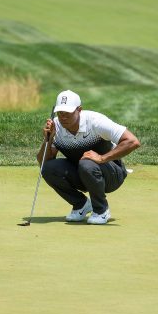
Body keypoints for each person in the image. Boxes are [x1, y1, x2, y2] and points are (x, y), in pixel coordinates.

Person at [37, 90, 141, 224]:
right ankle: (81, 205)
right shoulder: (55, 127)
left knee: (87, 163)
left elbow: (133, 141)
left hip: (112, 175)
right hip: (82, 174)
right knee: (48, 168)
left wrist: (102, 158)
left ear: (79, 110)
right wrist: (48, 140)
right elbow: (43, 163)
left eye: (68, 113)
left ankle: (101, 210)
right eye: (60, 113)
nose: (63, 117)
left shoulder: (95, 122)